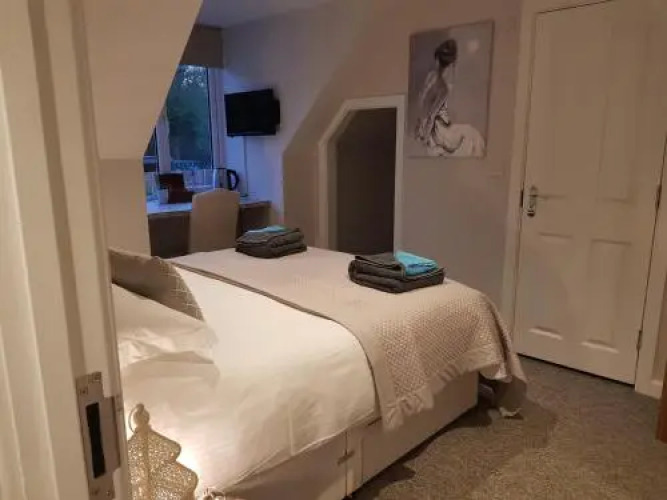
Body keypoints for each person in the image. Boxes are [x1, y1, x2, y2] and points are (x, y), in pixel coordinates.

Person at [415, 38, 485, 157]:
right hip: (436, 129)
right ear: (450, 65)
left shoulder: (430, 77)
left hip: (424, 123)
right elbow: (432, 115)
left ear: (437, 60)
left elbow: (421, 101)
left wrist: (420, 126)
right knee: (472, 135)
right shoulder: (443, 88)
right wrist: (425, 138)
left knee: (468, 132)